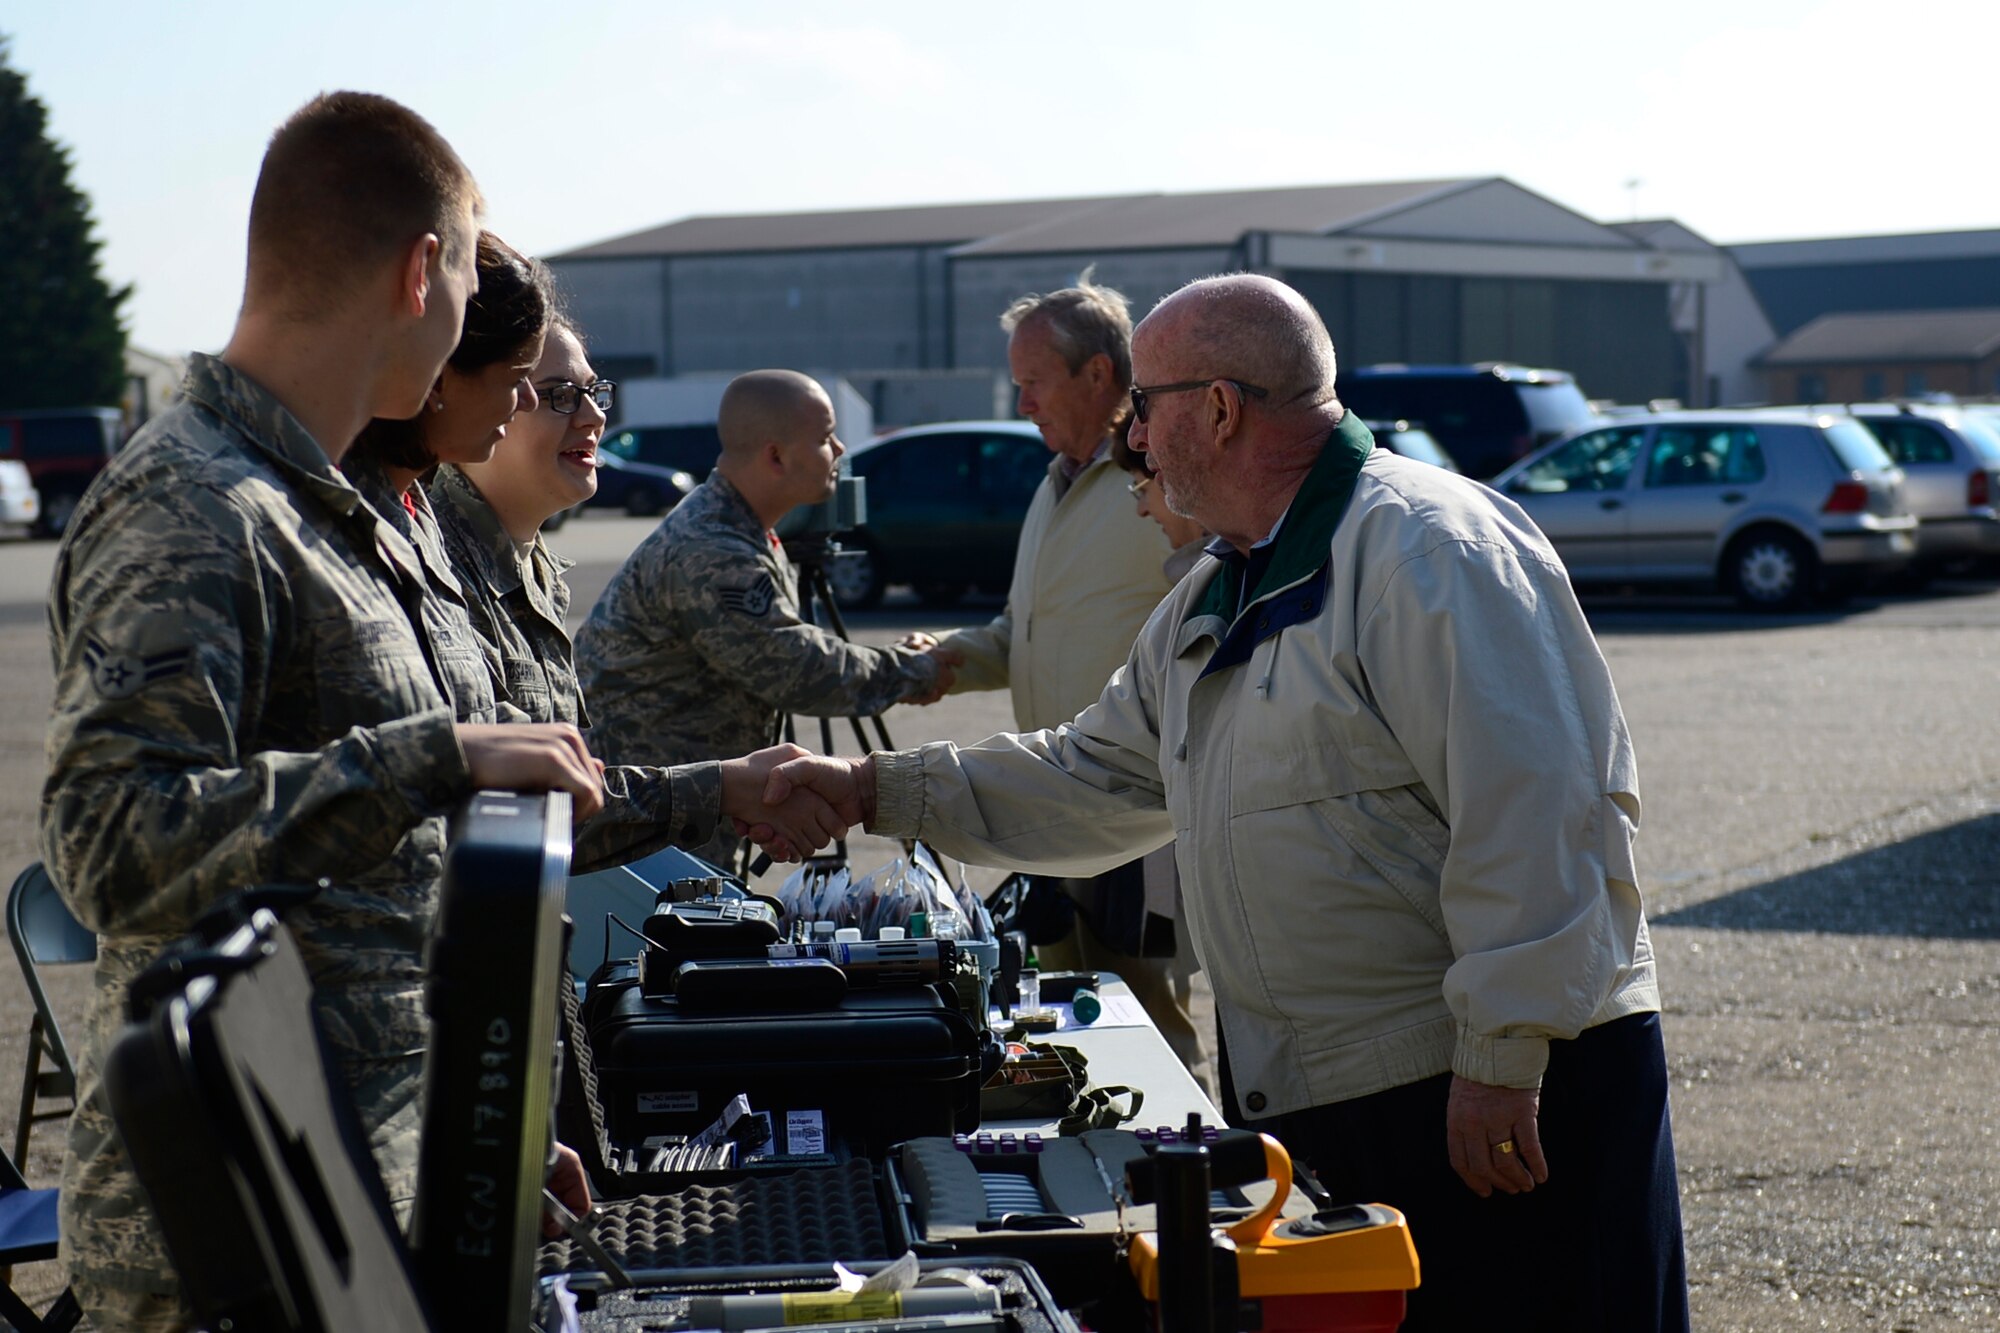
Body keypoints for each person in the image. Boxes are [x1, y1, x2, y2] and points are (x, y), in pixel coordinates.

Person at [756, 275, 1689, 1330]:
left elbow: (1541, 815)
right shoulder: (1219, 585)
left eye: (1143, 408)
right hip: (1345, 1100)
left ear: (1217, 408)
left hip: (1485, 1098)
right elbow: (1090, 774)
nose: (1136, 442)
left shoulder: (1429, 549)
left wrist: (1501, 1057)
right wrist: (871, 788)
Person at [40, 93, 609, 1331]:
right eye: (466, 276)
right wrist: (432, 758)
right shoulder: (195, 503)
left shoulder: (316, 505)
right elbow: (105, 842)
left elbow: (367, 905)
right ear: (420, 274)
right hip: (232, 1247)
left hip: (360, 1195)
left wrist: (476, 1128)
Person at [925, 274, 1208, 1089]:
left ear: (1097, 376)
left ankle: (1183, 1171)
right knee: (1060, 1006)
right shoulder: (1050, 488)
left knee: (1149, 1007)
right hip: (1054, 799)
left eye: (1033, 383)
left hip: (1139, 813)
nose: (1022, 406)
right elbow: (1022, 636)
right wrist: (944, 656)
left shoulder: (1157, 484)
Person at [431, 318, 843, 866]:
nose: (595, 416)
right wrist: (721, 789)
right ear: (483, 400)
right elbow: (498, 811)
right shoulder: (436, 569)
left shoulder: (529, 568)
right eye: (558, 396)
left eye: (594, 392)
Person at [574, 369, 955, 870]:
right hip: (643, 836)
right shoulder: (712, 548)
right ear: (775, 456)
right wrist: (917, 669)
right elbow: (798, 669)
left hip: (682, 819)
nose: (840, 449)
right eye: (824, 437)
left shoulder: (744, 530)